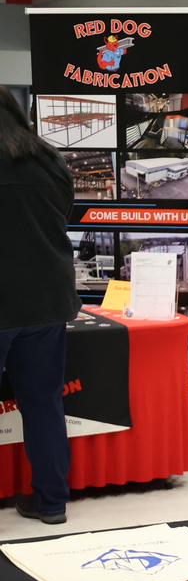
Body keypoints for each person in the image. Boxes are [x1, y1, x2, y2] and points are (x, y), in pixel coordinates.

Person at [0, 84, 79, 525]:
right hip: (48, 299)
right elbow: (62, 214)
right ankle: (52, 501)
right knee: (44, 403)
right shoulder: (49, 158)